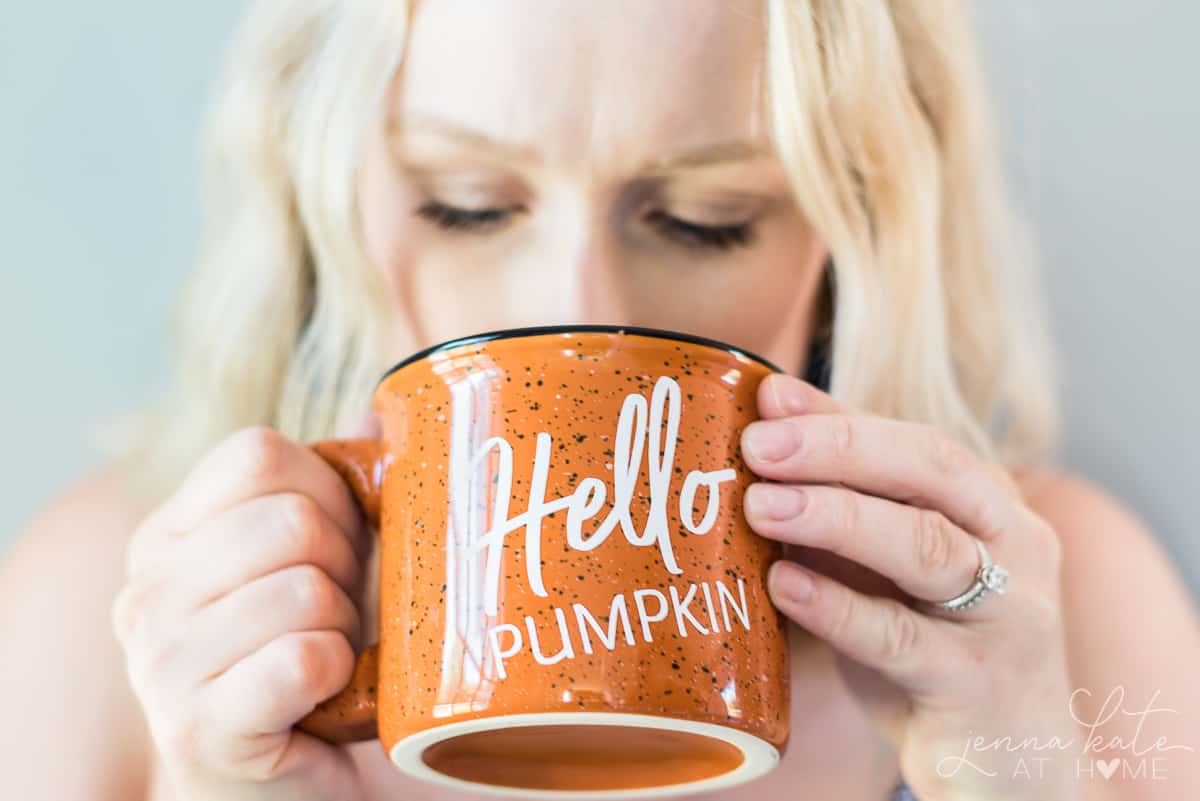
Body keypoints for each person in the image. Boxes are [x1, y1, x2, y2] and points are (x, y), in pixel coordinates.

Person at [2, 1, 1197, 799]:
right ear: (325, 189)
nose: (579, 306)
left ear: (855, 227)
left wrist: (1033, 775)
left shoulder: (1062, 604)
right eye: (467, 202)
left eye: (704, 219)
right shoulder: (107, 614)